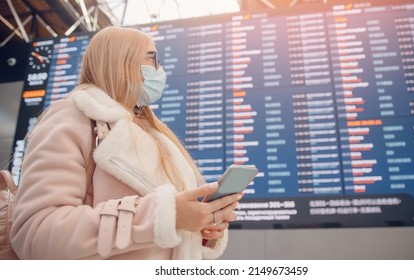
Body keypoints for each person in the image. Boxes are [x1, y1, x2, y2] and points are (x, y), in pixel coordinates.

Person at [10, 26, 241, 260]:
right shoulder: (73, 116)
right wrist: (164, 216)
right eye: (153, 60)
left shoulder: (157, 135)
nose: (161, 71)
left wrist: (200, 226)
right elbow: (37, 233)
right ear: (120, 61)